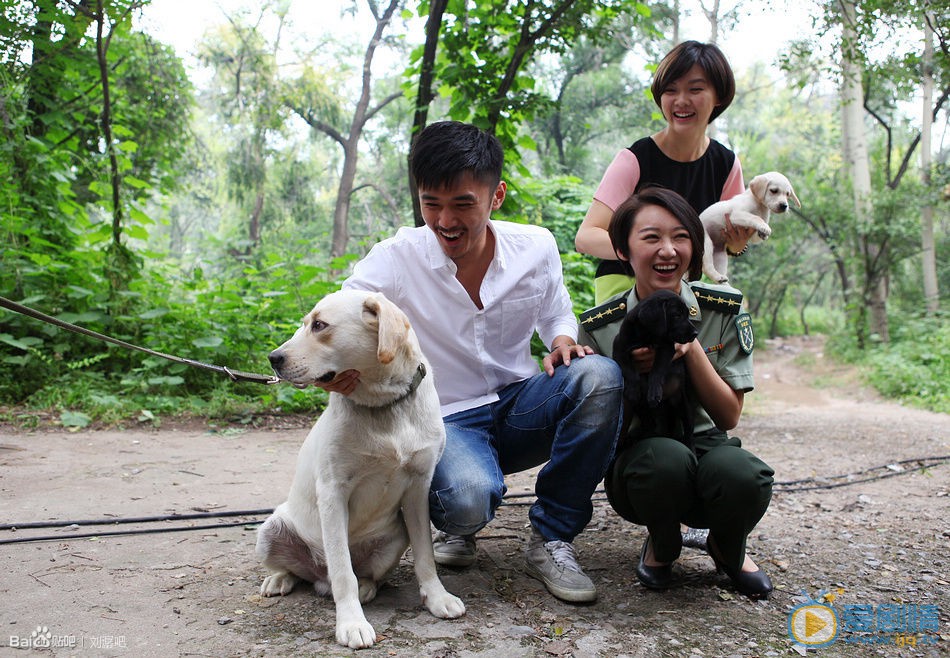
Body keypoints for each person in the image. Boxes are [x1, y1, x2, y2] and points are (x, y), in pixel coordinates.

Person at [323, 120, 624, 604]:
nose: (445, 220)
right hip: (444, 419)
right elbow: (339, 315)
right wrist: (333, 369)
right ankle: (455, 517)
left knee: (600, 377)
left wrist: (563, 339)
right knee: (465, 501)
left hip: (519, 404)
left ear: (496, 196)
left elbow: (555, 311)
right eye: (431, 204)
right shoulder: (396, 258)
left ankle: (552, 538)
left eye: (463, 203)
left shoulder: (536, 246)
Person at [578, 186, 774, 600]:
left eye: (681, 237)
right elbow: (602, 423)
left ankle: (727, 545)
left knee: (743, 475)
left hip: (705, 441)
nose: (668, 250)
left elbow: (728, 418)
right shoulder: (601, 325)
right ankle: (663, 542)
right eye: (651, 238)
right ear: (622, 249)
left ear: (696, 245)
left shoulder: (722, 309)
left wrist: (689, 349)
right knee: (663, 461)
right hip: (643, 455)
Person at [575, 40, 752, 305]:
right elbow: (586, 237)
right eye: (671, 90)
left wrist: (735, 246)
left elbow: (723, 243)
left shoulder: (726, 164)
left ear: (719, 96)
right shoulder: (634, 159)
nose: (681, 101)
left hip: (687, 294)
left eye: (695, 89)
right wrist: (645, 250)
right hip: (624, 289)